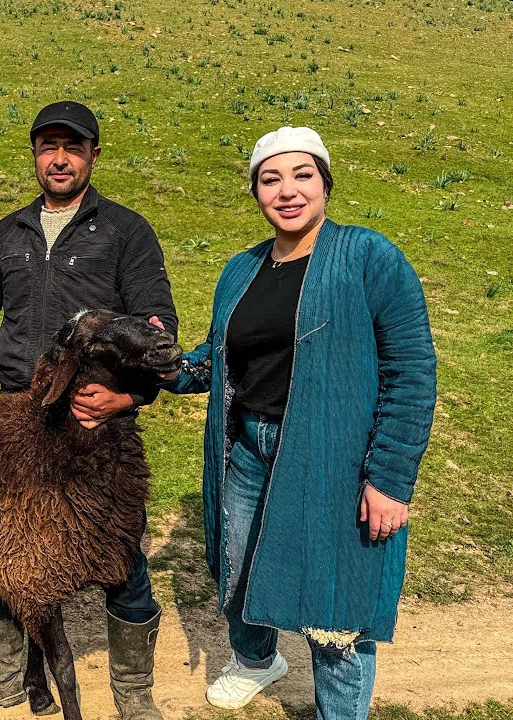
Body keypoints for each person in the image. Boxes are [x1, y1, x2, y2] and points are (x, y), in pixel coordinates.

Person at [0, 101, 178, 720]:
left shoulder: (126, 231)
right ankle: (0, 675)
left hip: (93, 419)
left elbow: (157, 328)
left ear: (93, 156)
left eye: (72, 148)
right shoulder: (11, 232)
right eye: (49, 146)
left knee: (118, 551)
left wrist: (129, 397)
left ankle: (135, 692)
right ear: (34, 154)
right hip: (17, 415)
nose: (60, 158)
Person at [160, 126, 436, 720]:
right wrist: (164, 368)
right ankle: (258, 658)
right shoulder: (241, 269)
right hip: (247, 448)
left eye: (302, 175)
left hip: (331, 456)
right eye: (270, 178)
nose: (287, 191)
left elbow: (411, 370)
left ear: (325, 184)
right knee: (234, 565)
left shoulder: (367, 257)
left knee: (333, 603)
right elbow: (220, 356)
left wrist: (388, 479)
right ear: (257, 192)